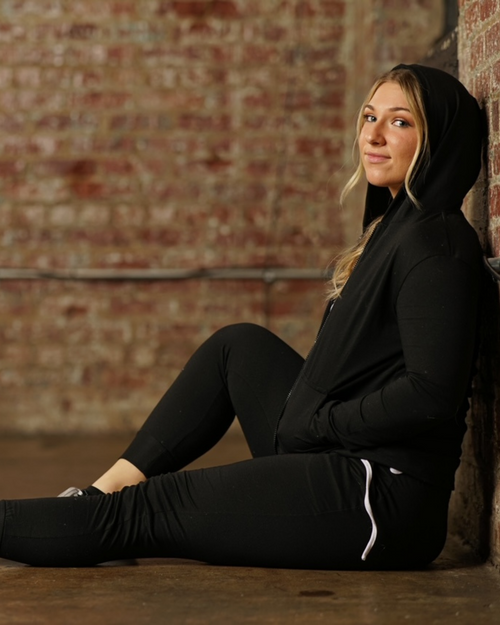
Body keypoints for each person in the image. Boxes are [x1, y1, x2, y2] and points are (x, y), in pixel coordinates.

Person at [0, 63, 486, 569]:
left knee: (145, 512)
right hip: (337, 454)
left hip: (380, 500)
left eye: (400, 122)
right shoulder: (396, 228)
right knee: (237, 347)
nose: (374, 135)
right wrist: (312, 423)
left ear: (437, 142)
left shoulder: (436, 246)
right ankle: (100, 493)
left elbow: (431, 395)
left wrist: (320, 422)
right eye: (369, 117)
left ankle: (92, 516)